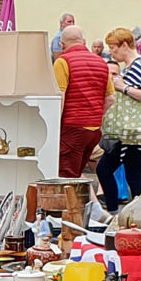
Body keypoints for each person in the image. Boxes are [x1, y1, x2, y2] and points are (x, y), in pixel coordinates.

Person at [96, 27, 141, 213]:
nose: (111, 52)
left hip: (135, 135)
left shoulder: (138, 65)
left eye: (113, 47)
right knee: (106, 169)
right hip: (127, 134)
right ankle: (117, 213)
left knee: (134, 179)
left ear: (124, 45)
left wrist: (124, 88)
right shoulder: (132, 66)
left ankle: (138, 218)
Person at [53, 24, 109, 178]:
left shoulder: (63, 62)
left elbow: (60, 97)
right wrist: (96, 114)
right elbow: (110, 98)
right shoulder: (102, 63)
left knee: (66, 176)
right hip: (94, 130)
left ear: (62, 45)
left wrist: (54, 127)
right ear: (84, 42)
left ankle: (68, 203)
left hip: (72, 127)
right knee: (76, 175)